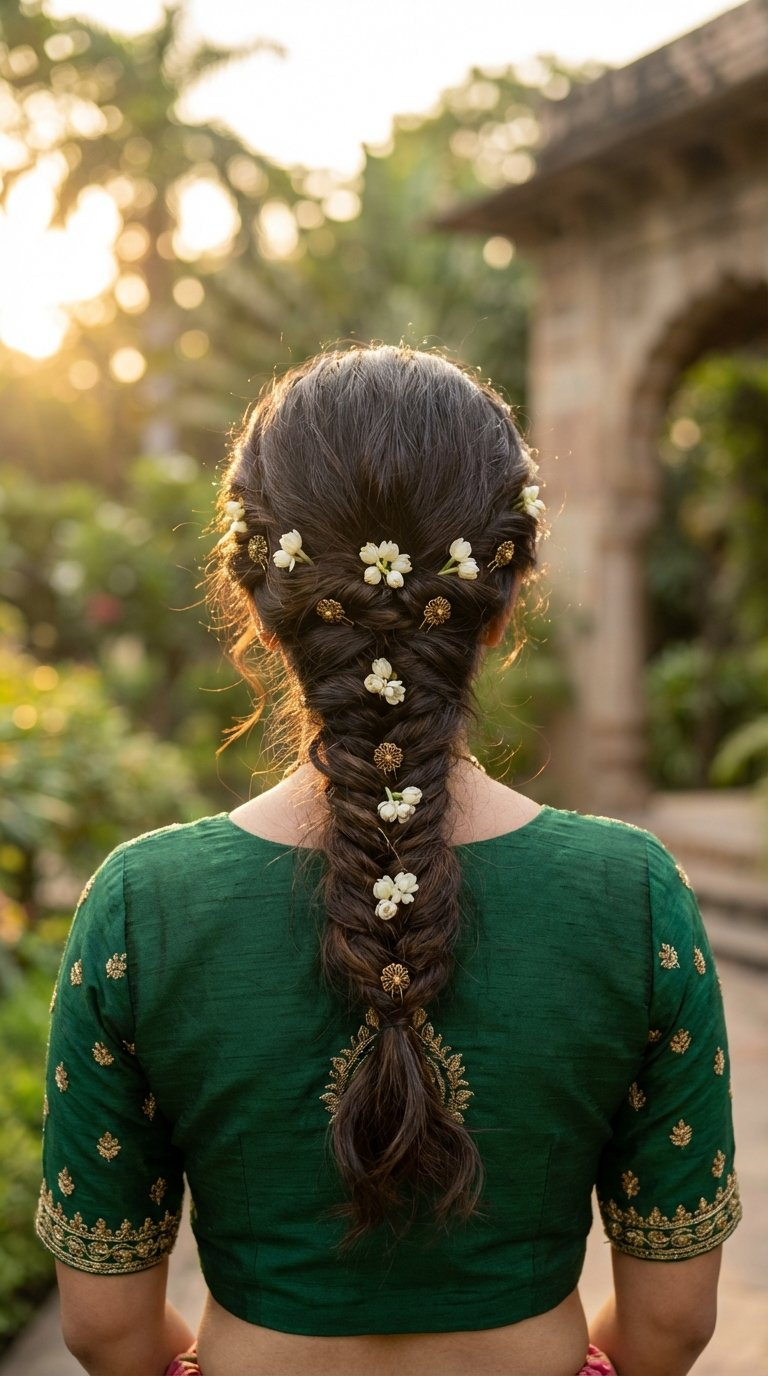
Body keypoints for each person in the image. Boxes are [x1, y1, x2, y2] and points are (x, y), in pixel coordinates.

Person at [36, 345, 740, 1376]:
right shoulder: (633, 896)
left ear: (263, 608)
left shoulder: (140, 909)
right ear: (503, 601)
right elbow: (672, 1323)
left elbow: (105, 1329)